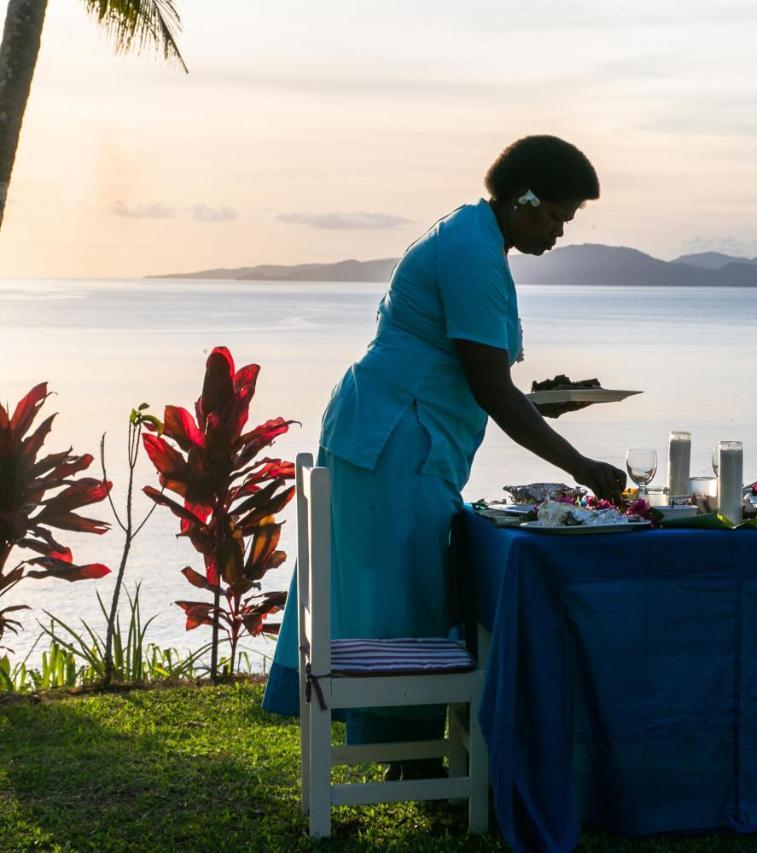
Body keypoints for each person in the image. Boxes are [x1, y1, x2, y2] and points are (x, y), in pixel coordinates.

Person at [262, 135, 626, 776]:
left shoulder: (477, 239)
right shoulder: (471, 253)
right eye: (556, 216)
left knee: (404, 591)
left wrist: (547, 402)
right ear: (525, 198)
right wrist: (581, 468)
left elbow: (476, 374)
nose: (560, 232)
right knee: (401, 597)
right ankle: (412, 760)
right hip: (394, 437)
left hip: (398, 428)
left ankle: (411, 756)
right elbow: (488, 388)